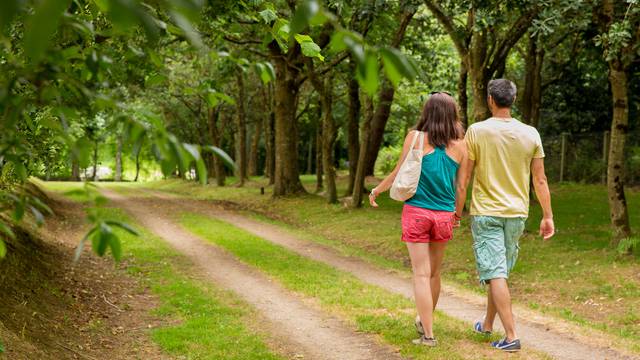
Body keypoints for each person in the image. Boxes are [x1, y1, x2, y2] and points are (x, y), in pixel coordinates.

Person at [455, 79, 555, 352]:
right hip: (516, 215)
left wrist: (456, 212)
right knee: (498, 270)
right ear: (513, 99)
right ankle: (487, 324)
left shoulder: (477, 131)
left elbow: (463, 179)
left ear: (490, 99)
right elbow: (540, 179)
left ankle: (511, 336)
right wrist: (548, 216)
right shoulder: (531, 133)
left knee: (496, 272)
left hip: (486, 212)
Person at [369, 92, 468, 347]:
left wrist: (378, 189)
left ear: (427, 112)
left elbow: (398, 171)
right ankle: (426, 323)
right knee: (434, 274)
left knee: (421, 274)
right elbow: (461, 187)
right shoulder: (462, 145)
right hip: (444, 214)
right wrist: (456, 215)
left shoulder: (415, 138)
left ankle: (429, 334)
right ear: (452, 114)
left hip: (416, 213)